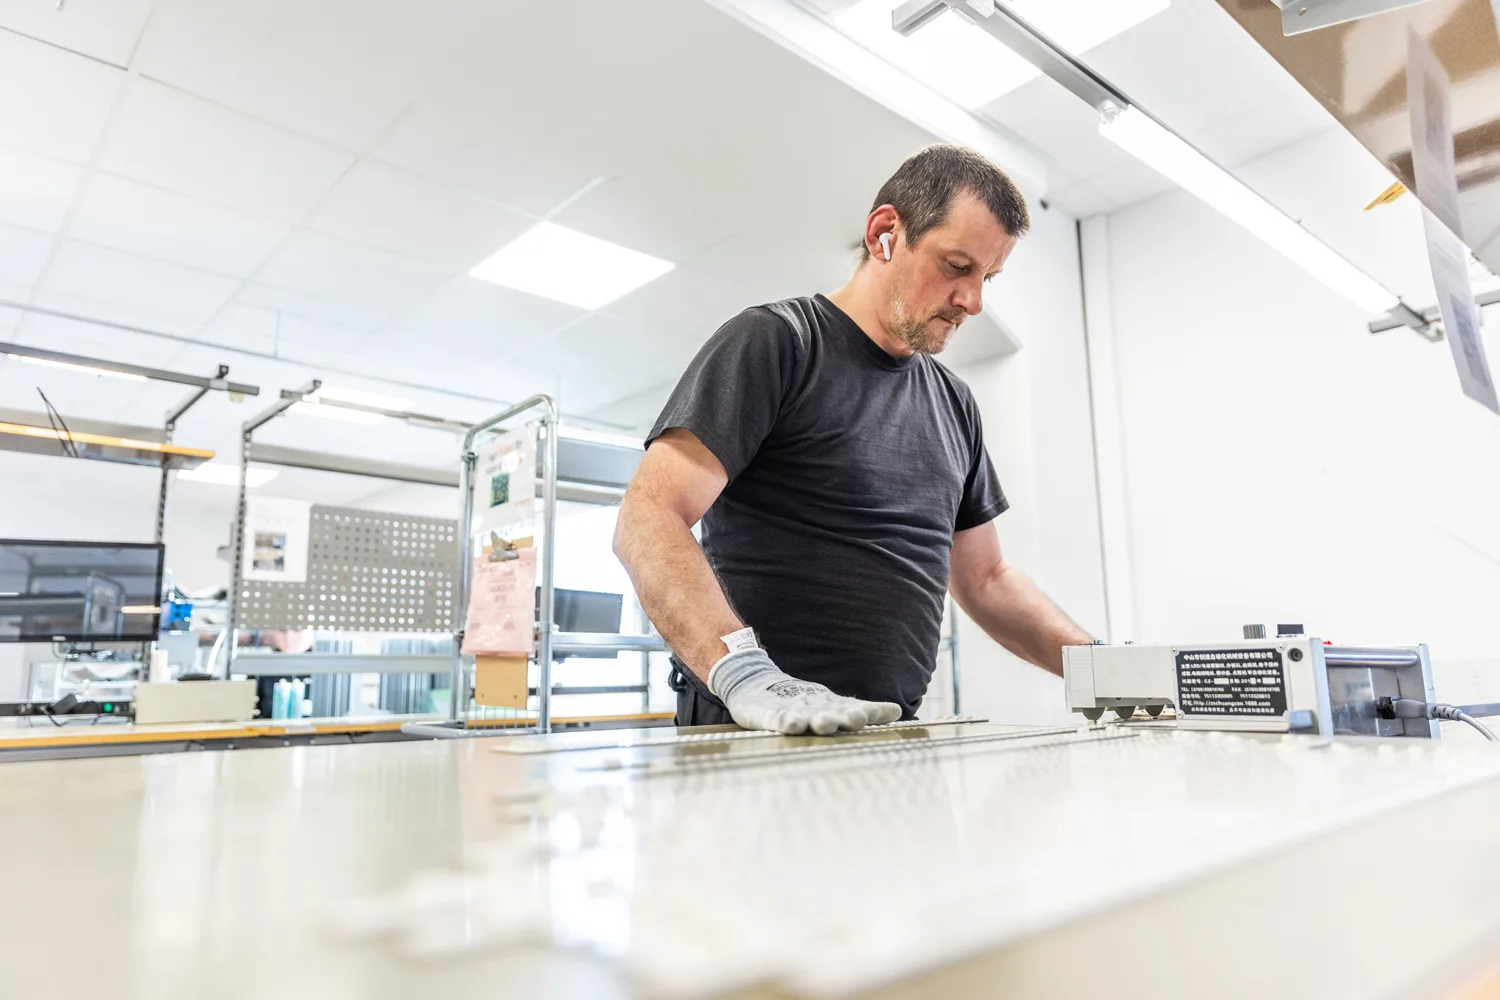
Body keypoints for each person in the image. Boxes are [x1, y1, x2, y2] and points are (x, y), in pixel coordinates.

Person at [613, 144, 1092, 735]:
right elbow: (648, 514)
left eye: (987, 277)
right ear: (885, 233)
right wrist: (746, 678)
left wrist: (1105, 668)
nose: (973, 301)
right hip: (752, 729)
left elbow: (986, 580)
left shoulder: (954, 403)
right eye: (957, 266)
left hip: (888, 731)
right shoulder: (776, 344)